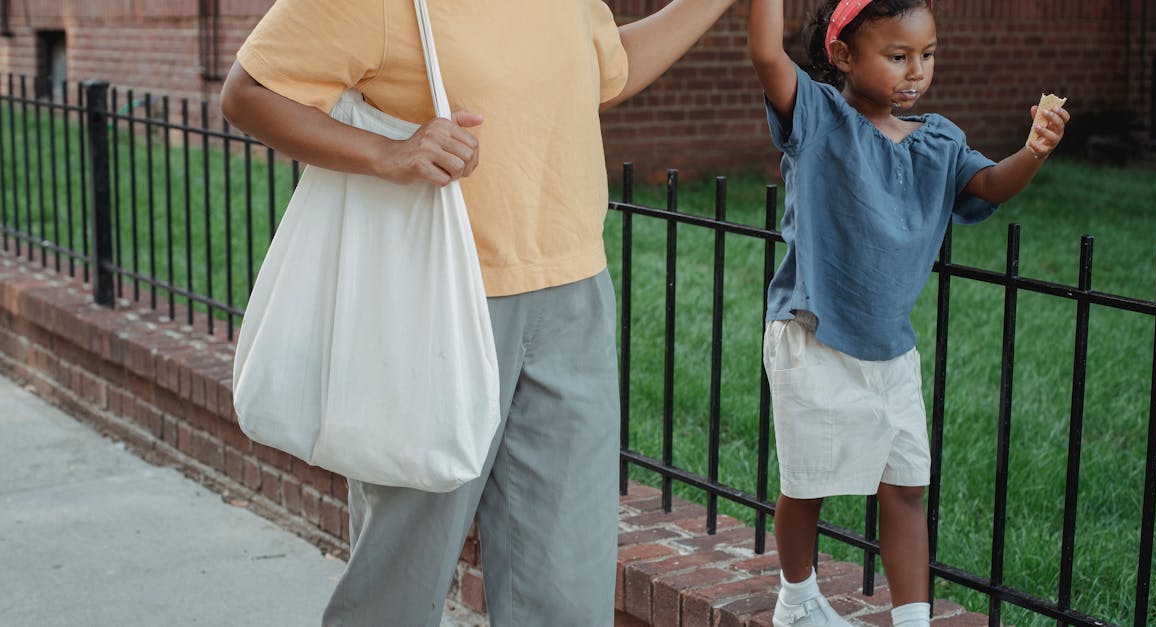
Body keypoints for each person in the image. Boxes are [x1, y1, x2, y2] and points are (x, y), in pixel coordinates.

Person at [220, 0, 735, 624]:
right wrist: (390, 154)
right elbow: (250, 93)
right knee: (399, 583)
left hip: (573, 298)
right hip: (438, 303)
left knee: (567, 592)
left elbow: (609, 65)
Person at [747, 1, 1069, 626]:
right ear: (842, 55)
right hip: (813, 331)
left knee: (906, 486)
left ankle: (912, 619)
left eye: (927, 55)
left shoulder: (940, 141)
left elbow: (989, 186)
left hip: (892, 349)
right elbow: (767, 54)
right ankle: (797, 600)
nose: (915, 71)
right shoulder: (819, 117)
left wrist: (1034, 150)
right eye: (897, 56)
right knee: (806, 482)